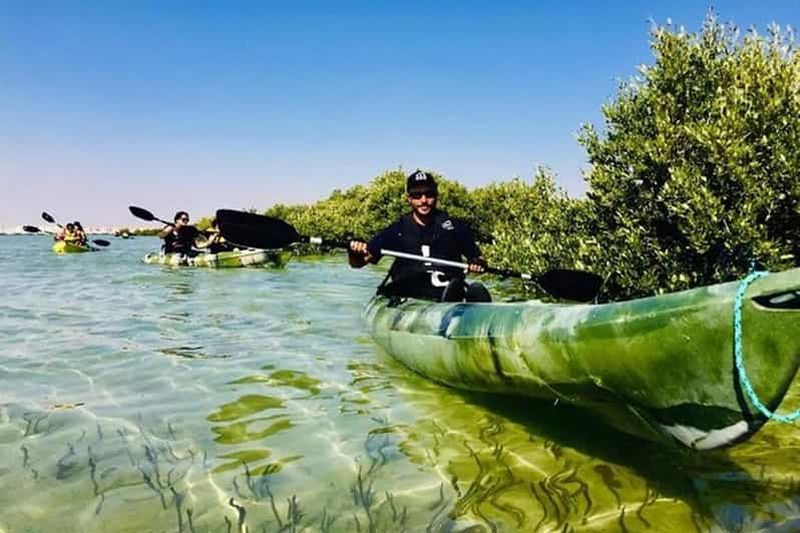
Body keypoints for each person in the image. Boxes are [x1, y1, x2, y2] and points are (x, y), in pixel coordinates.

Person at [348, 170, 491, 302]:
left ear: (436, 195)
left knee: (472, 289)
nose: (423, 200)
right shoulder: (397, 229)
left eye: (429, 194)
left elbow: (479, 258)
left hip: (448, 293)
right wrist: (354, 251)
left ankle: (459, 304)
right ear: (408, 199)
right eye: (417, 195)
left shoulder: (454, 227)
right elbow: (359, 263)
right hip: (408, 296)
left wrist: (477, 264)